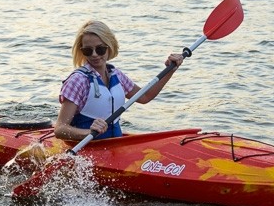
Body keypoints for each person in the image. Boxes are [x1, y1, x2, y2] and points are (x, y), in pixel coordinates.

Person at [54, 20, 184, 141]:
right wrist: (88, 133)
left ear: (109, 46)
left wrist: (170, 70)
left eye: (100, 49)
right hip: (87, 149)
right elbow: (60, 129)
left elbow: (145, 96)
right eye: (88, 50)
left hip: (115, 144)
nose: (94, 54)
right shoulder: (78, 81)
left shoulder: (116, 75)